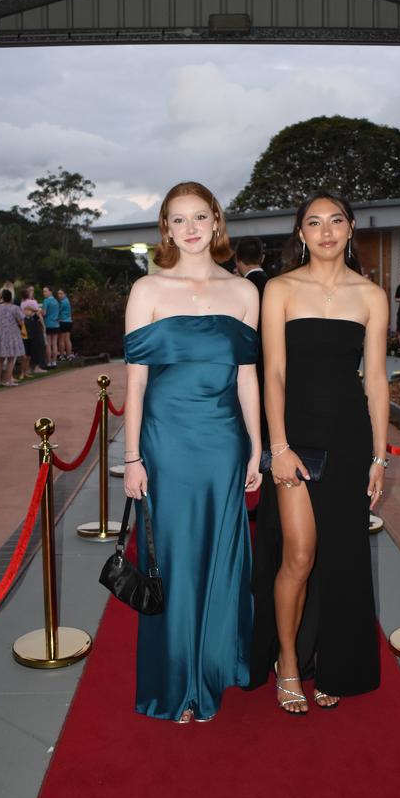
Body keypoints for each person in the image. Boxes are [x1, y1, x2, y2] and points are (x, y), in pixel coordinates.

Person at [123, 180, 262, 724]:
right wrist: (132, 458)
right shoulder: (147, 290)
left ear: (216, 222)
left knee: (223, 557)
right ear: (166, 229)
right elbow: (133, 384)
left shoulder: (245, 292)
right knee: (173, 560)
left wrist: (254, 447)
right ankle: (177, 685)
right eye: (178, 220)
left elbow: (247, 380)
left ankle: (213, 671)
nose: (190, 228)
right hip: (166, 441)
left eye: (199, 217)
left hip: (223, 441)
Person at [248, 190, 388, 714]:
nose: (326, 230)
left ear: (351, 228)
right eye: (314, 222)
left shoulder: (371, 296)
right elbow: (274, 373)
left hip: (350, 437)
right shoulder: (280, 290)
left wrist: (379, 456)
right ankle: (287, 661)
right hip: (295, 438)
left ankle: (335, 664)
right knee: (300, 554)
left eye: (335, 221)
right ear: (300, 233)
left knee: (343, 557)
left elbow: (374, 379)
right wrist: (277, 446)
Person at [236, 237, 270, 447]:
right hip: (271, 362)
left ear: (237, 260)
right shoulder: (275, 286)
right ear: (263, 258)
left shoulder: (239, 288)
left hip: (246, 363)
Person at [0, 289, 25, 386]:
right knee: (11, 358)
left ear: (2, 297)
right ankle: (7, 380)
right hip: (12, 335)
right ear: (11, 298)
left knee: (1, 358)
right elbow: (21, 321)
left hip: (0, 334)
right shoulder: (15, 308)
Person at [20, 291, 48, 375]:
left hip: (26, 325)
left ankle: (27, 368)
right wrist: (43, 326)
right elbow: (38, 312)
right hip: (34, 324)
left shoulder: (22, 303)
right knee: (38, 345)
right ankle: (37, 367)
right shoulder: (33, 302)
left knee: (28, 346)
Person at [42, 286, 60, 367]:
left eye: (46, 291)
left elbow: (44, 313)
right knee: (55, 343)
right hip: (56, 324)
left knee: (48, 344)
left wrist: (40, 312)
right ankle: (54, 362)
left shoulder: (46, 301)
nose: (44, 293)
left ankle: (49, 362)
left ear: (50, 292)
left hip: (48, 324)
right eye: (44, 291)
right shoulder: (56, 301)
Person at [56, 288, 74, 360]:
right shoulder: (67, 301)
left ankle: (62, 355)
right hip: (69, 321)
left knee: (61, 339)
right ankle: (69, 355)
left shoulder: (62, 302)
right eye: (58, 294)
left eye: (61, 293)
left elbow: (57, 310)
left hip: (63, 321)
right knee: (67, 339)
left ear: (65, 294)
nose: (59, 295)